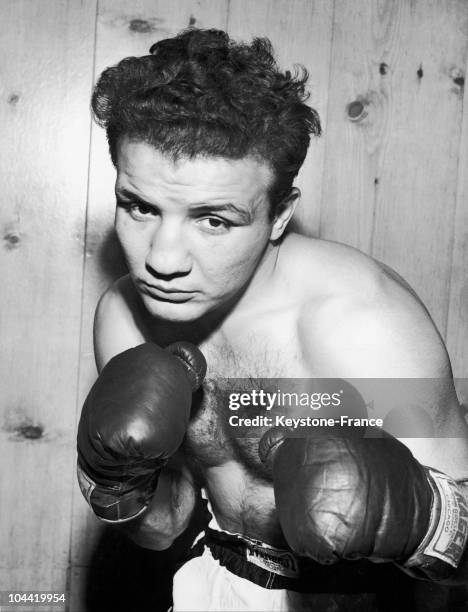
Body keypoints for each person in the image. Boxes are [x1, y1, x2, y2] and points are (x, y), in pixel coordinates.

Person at [77, 28, 468, 611]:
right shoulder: (126, 319)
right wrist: (119, 488)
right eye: (140, 207)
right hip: (215, 578)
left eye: (214, 220)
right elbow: (167, 525)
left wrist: (422, 517)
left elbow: (458, 564)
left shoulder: (360, 324)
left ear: (279, 215)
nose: (162, 259)